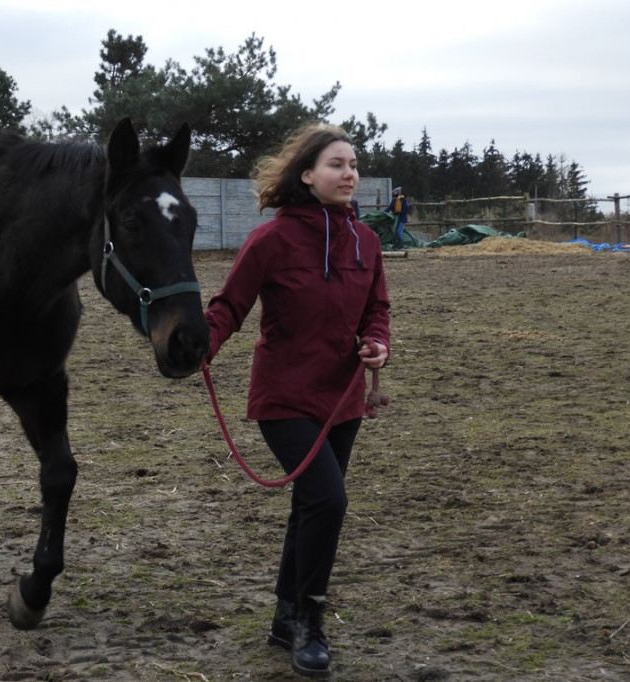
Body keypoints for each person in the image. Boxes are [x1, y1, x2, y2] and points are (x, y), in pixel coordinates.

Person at [203, 123, 391, 677]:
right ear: (306, 175)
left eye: (353, 164)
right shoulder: (271, 240)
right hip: (284, 396)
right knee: (328, 501)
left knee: (312, 506)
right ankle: (311, 620)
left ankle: (285, 618)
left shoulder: (367, 241)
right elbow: (229, 307)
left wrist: (377, 344)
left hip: (343, 398)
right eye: (336, 164)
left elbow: (377, 308)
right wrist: (201, 345)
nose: (349, 173)